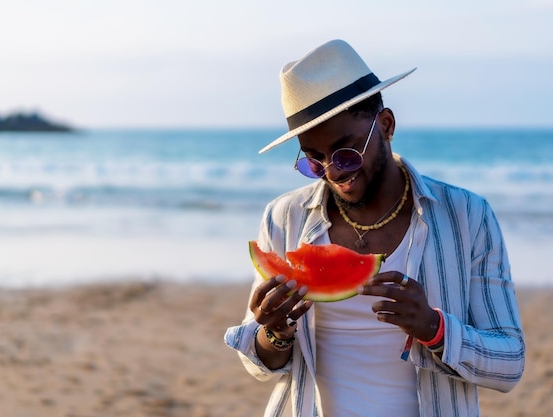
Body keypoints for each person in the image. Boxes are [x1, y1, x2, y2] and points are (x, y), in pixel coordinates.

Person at [224, 39, 525, 417]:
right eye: (314, 161)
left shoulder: (468, 216)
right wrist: (274, 333)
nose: (334, 173)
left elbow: (510, 363)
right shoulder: (283, 217)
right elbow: (259, 363)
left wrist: (435, 329)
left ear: (385, 125)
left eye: (345, 152)